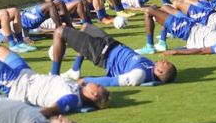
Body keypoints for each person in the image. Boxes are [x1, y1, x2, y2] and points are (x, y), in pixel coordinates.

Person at [0, 47, 110, 117]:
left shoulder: (71, 99)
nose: (95, 83)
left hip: (17, 84)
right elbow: (81, 81)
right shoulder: (79, 89)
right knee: (0, 51)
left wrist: (26, 120)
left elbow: (51, 110)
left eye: (97, 85)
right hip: (26, 74)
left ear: (93, 94)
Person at [49, 23, 177, 86]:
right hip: (111, 44)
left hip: (102, 53)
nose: (163, 60)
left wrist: (86, 80)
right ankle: (75, 69)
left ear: (160, 72)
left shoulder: (139, 75)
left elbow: (112, 81)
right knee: (85, 27)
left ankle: (53, 78)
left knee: (60, 31)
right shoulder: (150, 66)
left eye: (165, 63)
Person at [136, 5, 216, 55]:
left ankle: (150, 46)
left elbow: (201, 51)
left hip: (187, 29)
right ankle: (162, 42)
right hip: (192, 25)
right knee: (164, 9)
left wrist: (177, 52)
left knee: (149, 11)